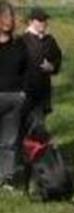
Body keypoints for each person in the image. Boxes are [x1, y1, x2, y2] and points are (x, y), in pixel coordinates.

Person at [0, 2, 27, 190]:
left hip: (14, 98)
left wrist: (23, 92)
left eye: (11, 17)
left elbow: (27, 70)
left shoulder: (19, 44)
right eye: (5, 16)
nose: (9, 21)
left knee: (9, 142)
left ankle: (6, 178)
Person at [22, 7, 62, 136]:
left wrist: (52, 66)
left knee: (39, 125)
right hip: (25, 92)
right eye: (40, 20)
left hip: (43, 91)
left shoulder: (50, 40)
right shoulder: (22, 40)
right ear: (31, 21)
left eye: (45, 20)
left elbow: (57, 59)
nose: (43, 23)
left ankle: (38, 153)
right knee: (26, 127)